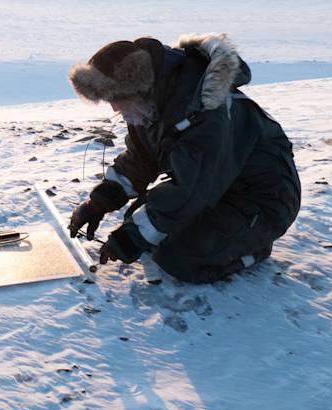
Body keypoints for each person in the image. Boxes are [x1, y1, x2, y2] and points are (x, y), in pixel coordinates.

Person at [66, 33, 301, 283]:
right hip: (216, 189)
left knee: (177, 258)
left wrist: (131, 238)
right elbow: (140, 160)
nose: (114, 108)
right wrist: (97, 204)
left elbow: (190, 191)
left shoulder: (206, 111)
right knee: (140, 225)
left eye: (116, 98)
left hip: (264, 200)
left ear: (137, 86)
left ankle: (255, 249)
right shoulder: (150, 103)